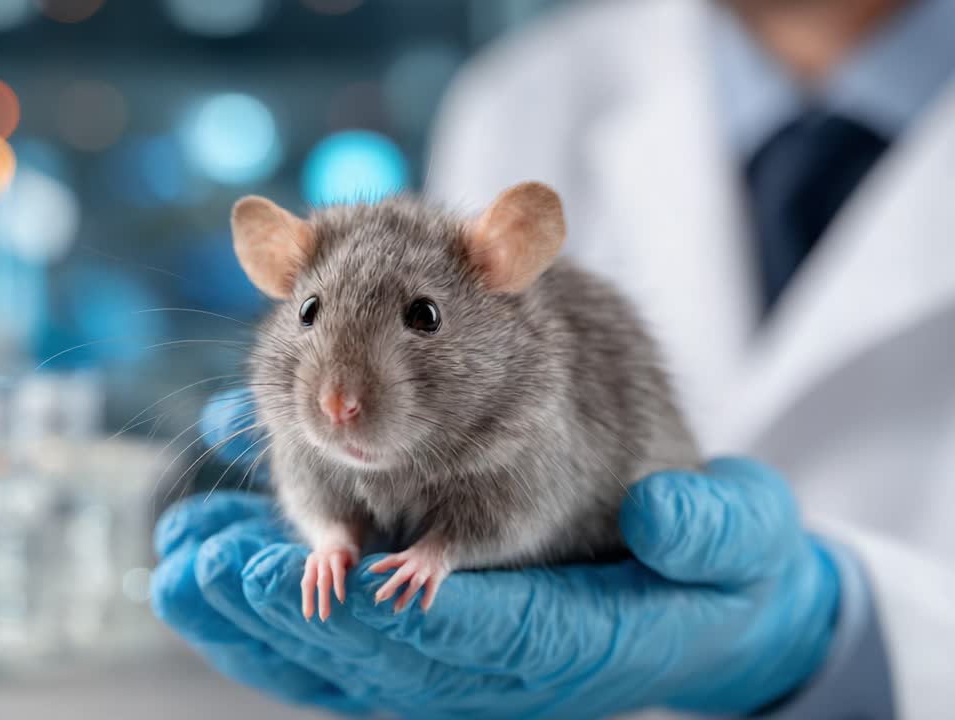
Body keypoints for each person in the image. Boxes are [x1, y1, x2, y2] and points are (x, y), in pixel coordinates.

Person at [151, 0, 955, 717]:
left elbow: (520, 493)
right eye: (310, 313)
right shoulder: (522, 89)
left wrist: (844, 628)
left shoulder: (522, 377)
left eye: (421, 319)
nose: (339, 399)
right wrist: (332, 532)